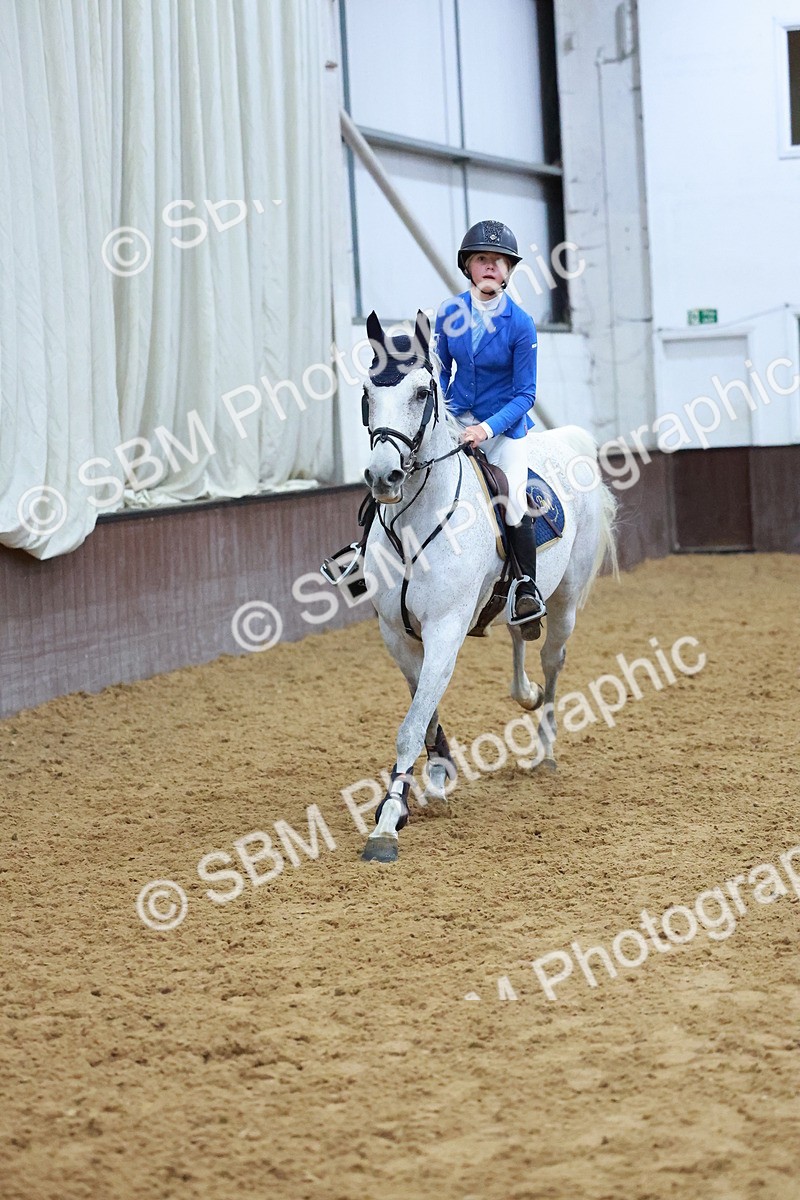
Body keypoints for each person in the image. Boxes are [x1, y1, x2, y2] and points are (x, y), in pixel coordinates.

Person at [433, 219, 546, 630]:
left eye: (499, 261)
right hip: (456, 419)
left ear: (509, 271)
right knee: (410, 466)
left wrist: (486, 429)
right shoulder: (450, 312)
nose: (490, 267)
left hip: (504, 430)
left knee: (513, 499)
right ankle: (366, 553)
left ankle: (526, 588)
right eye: (482, 259)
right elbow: (439, 368)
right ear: (468, 266)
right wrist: (445, 415)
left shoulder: (521, 324)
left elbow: (525, 395)